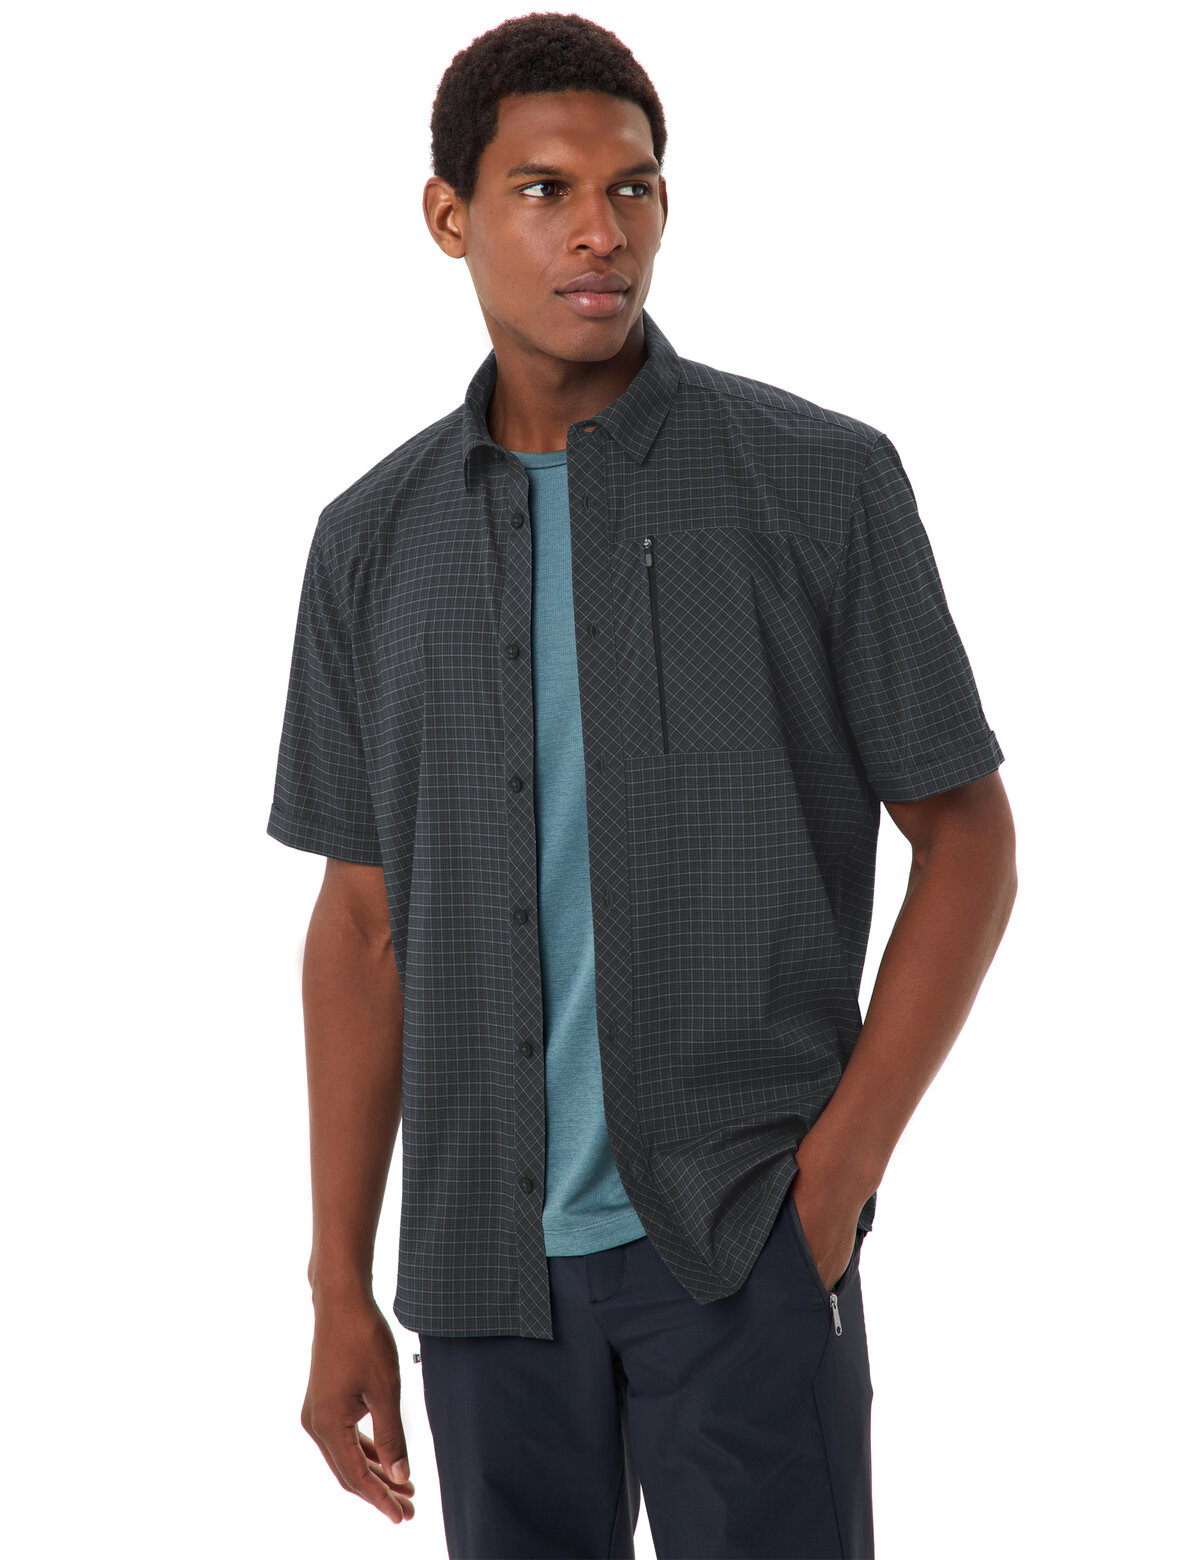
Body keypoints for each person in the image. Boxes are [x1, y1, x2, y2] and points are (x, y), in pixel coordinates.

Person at [266, 12, 1018, 1558]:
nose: (600, 230)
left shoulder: (820, 481)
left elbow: (968, 839)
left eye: (634, 188)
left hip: (741, 1239)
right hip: (482, 1271)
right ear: (450, 217)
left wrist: (835, 1181)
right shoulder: (370, 541)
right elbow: (360, 924)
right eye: (544, 190)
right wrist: (339, 1282)